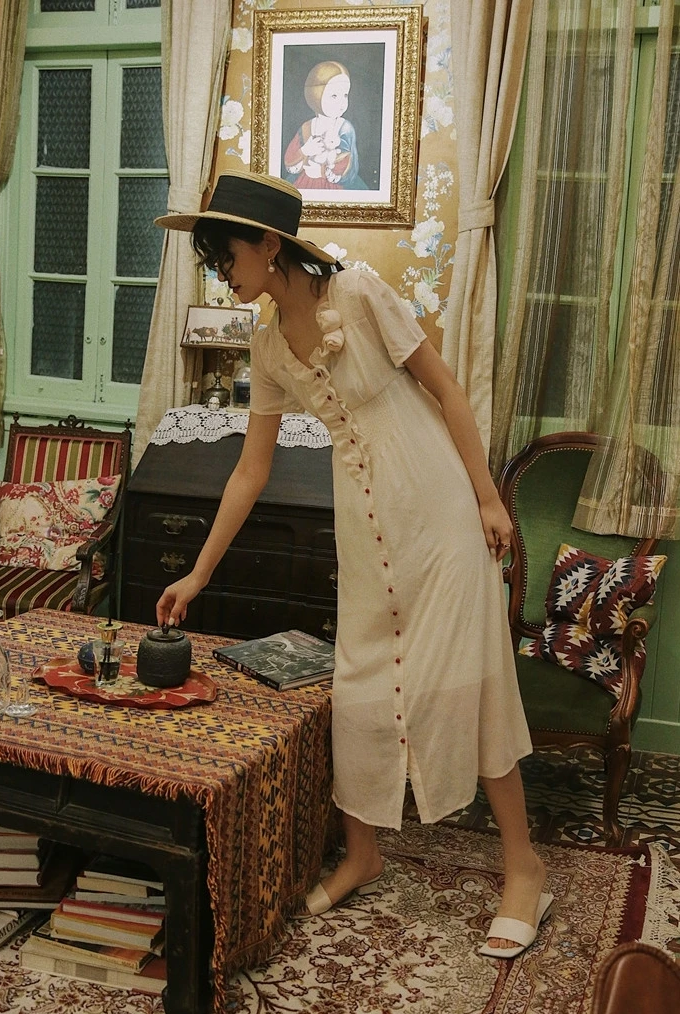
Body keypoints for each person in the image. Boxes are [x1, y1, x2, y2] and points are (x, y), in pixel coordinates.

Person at [154, 169, 552, 957]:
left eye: (226, 255)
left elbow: (449, 392)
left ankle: (523, 868)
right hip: (366, 531)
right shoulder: (268, 344)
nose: (222, 273)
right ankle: (363, 854)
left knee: (467, 681)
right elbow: (249, 470)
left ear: (269, 245)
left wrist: (487, 498)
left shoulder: (361, 293)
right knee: (361, 684)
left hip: (436, 511)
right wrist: (198, 572)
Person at [283, 60, 367, 191]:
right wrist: (305, 151)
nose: (342, 102)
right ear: (316, 94)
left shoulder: (345, 128)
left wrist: (322, 172)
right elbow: (289, 161)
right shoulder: (307, 127)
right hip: (306, 183)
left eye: (345, 95)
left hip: (335, 187)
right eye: (334, 96)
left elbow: (350, 164)